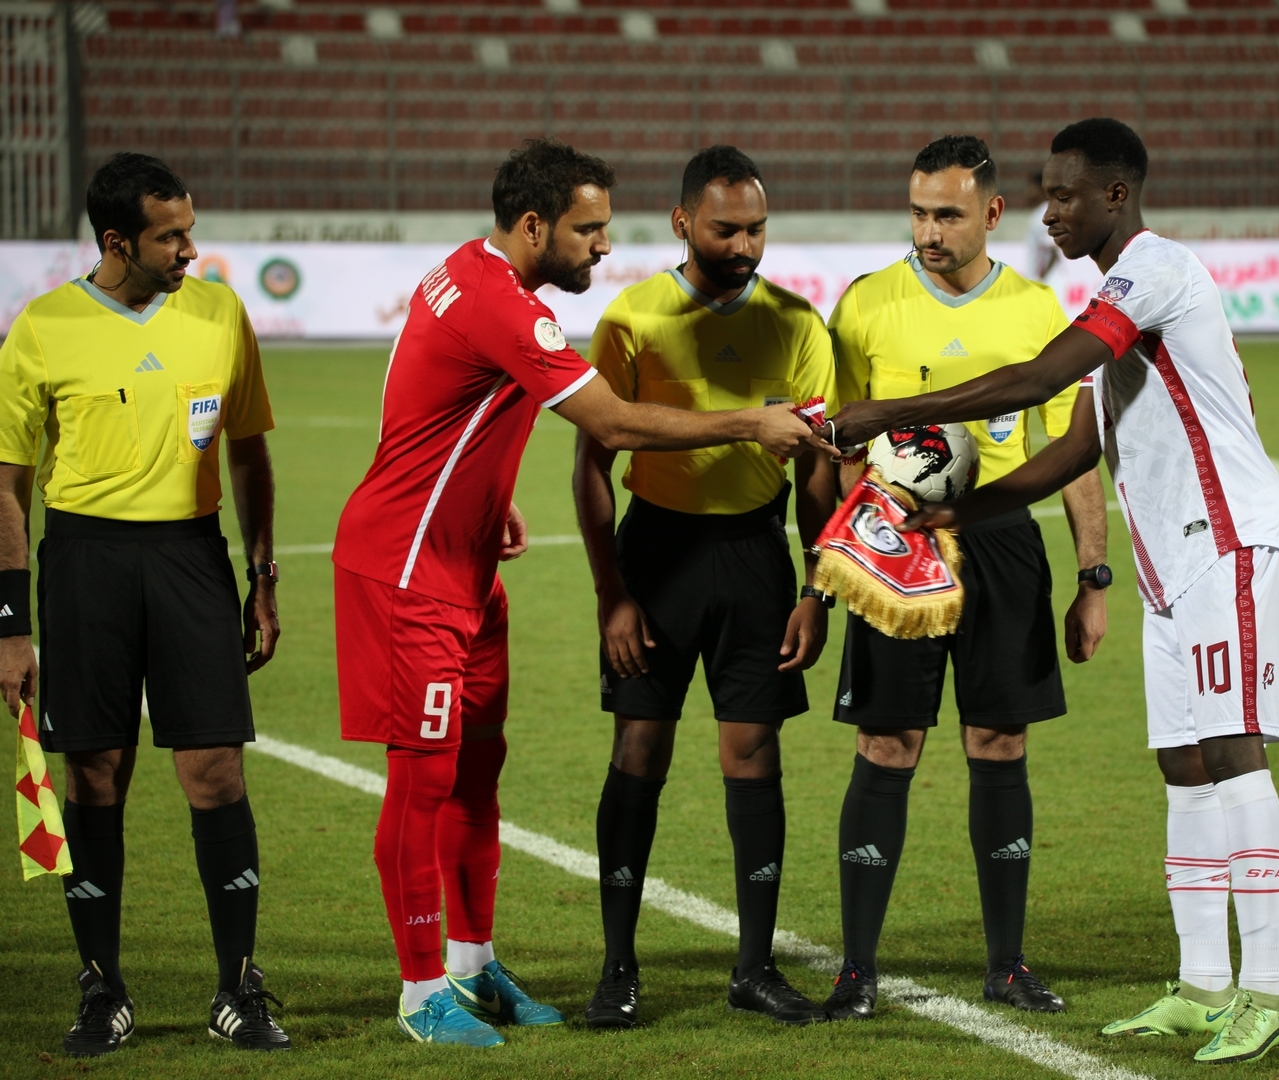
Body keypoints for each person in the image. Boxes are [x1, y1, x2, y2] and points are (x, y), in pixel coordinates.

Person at [331, 137, 828, 1048]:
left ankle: (473, 965)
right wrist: (750, 423)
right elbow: (614, 426)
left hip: (466, 562)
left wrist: (486, 499)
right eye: (588, 229)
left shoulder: (469, 273)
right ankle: (420, 990)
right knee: (423, 779)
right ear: (534, 226)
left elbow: (426, 401)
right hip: (409, 570)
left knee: (477, 771)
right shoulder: (505, 306)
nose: (604, 245)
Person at [828, 118, 1279, 1064]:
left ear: (1115, 195)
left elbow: (1039, 379)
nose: (1049, 215)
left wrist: (896, 410)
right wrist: (957, 513)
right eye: (1045, 196)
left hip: (1227, 543)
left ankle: (1267, 992)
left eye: (1064, 196)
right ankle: (1204, 986)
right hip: (1171, 562)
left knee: (1234, 755)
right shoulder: (1109, 295)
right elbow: (1079, 445)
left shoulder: (1153, 271)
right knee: (1184, 765)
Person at [0, 153, 287, 1055]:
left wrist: (263, 575)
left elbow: (249, 450)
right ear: (116, 241)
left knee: (217, 771)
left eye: (190, 230)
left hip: (192, 557)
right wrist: (10, 626)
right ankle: (103, 989)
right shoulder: (42, 328)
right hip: (85, 561)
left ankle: (238, 988)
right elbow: (7, 487)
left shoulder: (220, 313)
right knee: (94, 774)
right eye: (172, 237)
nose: (191, 250)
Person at [818, 134, 1108, 1023]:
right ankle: (856, 970)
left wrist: (1093, 575)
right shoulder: (866, 304)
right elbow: (837, 446)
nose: (929, 231)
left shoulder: (1036, 309)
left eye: (947, 214)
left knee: (1000, 744)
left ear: (992, 212)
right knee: (886, 746)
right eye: (918, 213)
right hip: (894, 546)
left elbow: (1073, 452)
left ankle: (1007, 965)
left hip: (1002, 545)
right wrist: (836, 564)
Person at [575, 145, 840, 1029]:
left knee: (754, 752)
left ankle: (755, 968)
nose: (744, 246)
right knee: (638, 747)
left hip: (758, 556)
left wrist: (817, 588)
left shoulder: (799, 324)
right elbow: (592, 464)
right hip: (657, 557)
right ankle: (617, 969)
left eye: (757, 229)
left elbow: (819, 475)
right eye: (726, 229)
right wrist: (612, 592)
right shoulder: (632, 318)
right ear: (683, 222)